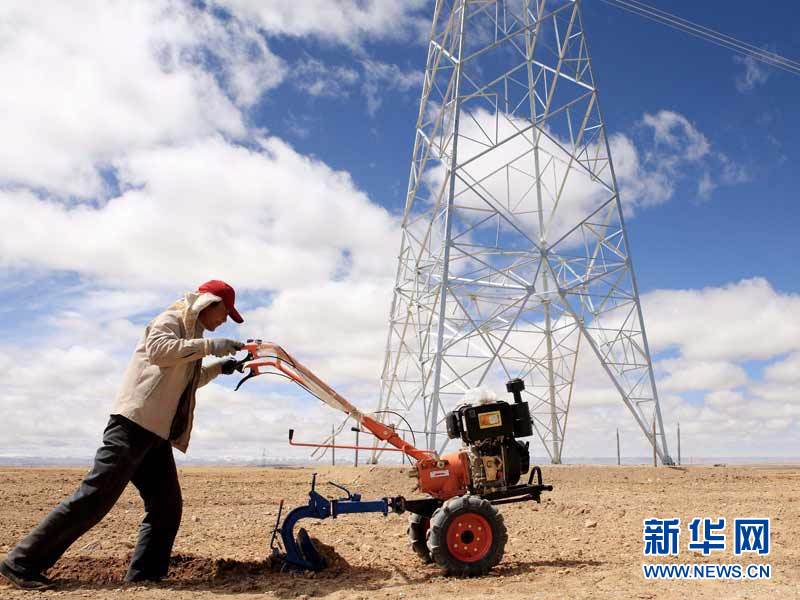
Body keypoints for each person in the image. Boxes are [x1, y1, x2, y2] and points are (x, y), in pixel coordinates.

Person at [0, 280, 246, 590]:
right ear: (210, 303)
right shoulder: (171, 319)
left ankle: (145, 576)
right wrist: (211, 347)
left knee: (166, 507)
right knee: (94, 497)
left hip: (155, 434)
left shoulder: (193, 337)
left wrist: (219, 367)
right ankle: (21, 562)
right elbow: (159, 351)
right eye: (225, 313)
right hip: (132, 425)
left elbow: (186, 381)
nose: (225, 320)